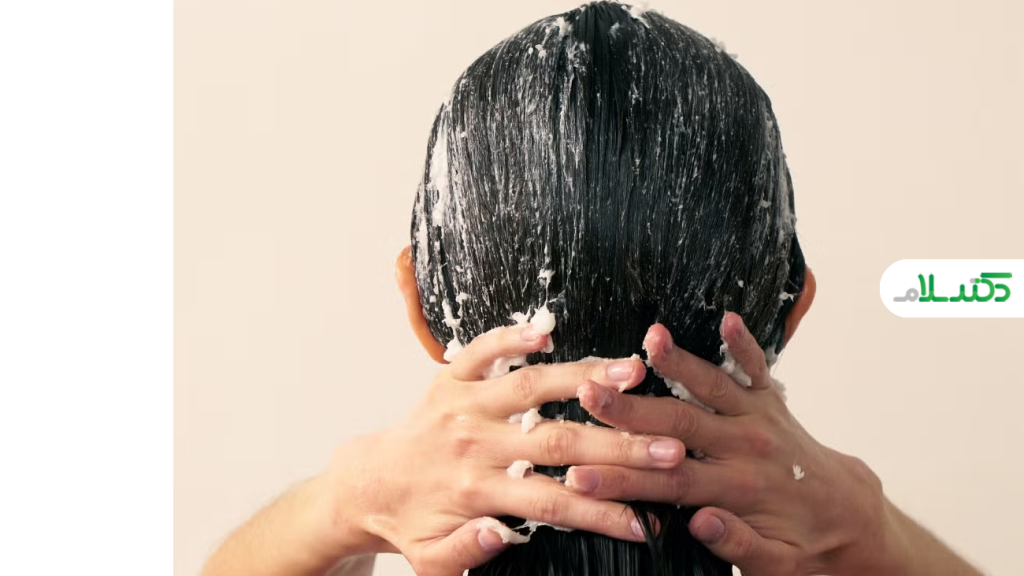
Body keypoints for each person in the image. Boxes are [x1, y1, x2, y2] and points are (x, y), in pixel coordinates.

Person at [200, 3, 983, 576]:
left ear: (419, 306)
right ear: (795, 305)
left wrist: (343, 502)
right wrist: (866, 527)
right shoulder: (858, 536)